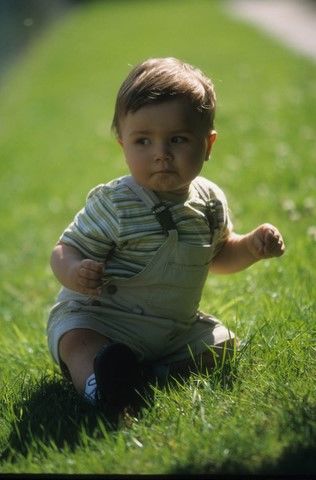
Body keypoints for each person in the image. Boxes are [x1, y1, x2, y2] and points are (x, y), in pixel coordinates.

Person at [48, 57, 285, 409]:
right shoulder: (116, 203)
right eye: (143, 141)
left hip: (170, 328)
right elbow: (63, 250)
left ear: (207, 145)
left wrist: (251, 246)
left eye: (177, 139)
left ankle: (146, 373)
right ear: (123, 146)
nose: (161, 154)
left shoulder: (209, 201)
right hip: (102, 319)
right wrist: (74, 272)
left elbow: (218, 256)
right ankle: (101, 386)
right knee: (77, 341)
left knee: (222, 344)